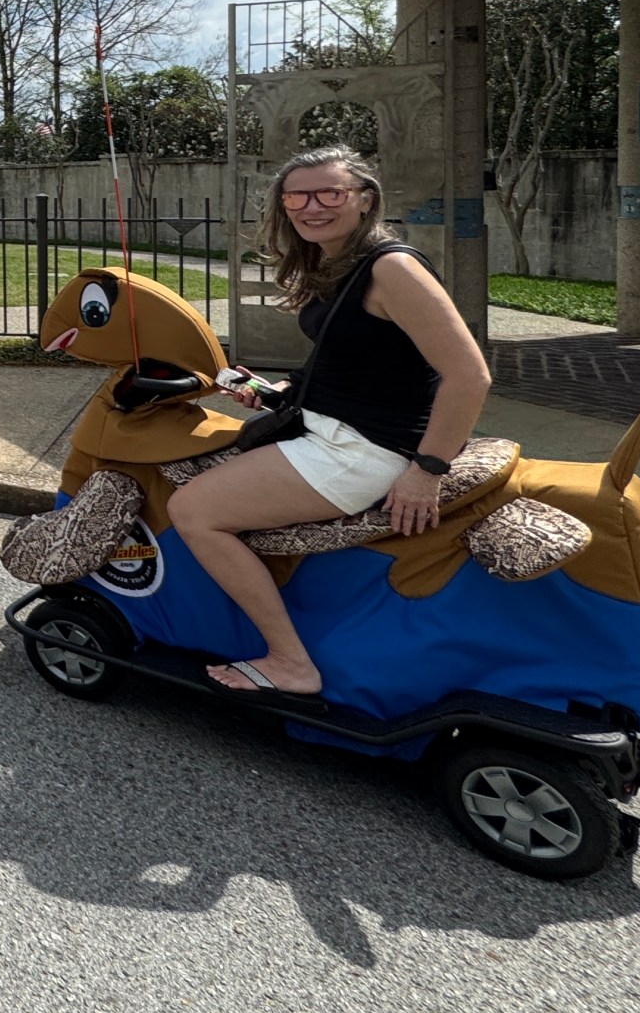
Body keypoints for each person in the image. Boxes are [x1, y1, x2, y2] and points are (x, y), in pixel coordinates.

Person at [168, 145, 491, 696]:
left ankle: (290, 662)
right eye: (297, 195)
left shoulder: (392, 268)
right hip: (337, 429)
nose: (312, 206)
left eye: (330, 193)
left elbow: (469, 375)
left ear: (365, 200)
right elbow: (368, 361)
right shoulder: (343, 265)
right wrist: (283, 394)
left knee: (193, 511)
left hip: (364, 450)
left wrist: (426, 470)